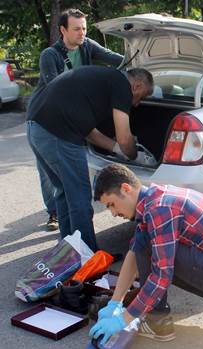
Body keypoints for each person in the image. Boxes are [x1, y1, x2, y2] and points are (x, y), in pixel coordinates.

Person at [89, 164, 203, 344]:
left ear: (126, 188)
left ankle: (157, 321)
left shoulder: (159, 210)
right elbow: (134, 250)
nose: (113, 213)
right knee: (145, 242)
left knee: (155, 252)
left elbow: (161, 276)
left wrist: (123, 320)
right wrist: (115, 302)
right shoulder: (154, 197)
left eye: (112, 205)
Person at [26, 66, 153, 251]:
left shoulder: (100, 79)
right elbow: (125, 138)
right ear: (137, 85)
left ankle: (69, 251)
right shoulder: (121, 85)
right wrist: (136, 156)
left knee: (63, 191)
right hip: (58, 134)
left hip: (35, 128)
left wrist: (116, 149)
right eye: (142, 96)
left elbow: (89, 133)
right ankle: (87, 257)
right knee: (80, 197)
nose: (137, 104)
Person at [31, 8, 124, 232]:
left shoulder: (87, 46)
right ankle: (54, 215)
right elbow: (56, 90)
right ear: (63, 30)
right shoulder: (50, 55)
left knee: (65, 185)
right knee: (56, 179)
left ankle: (69, 243)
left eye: (84, 28)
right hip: (47, 118)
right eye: (76, 29)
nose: (82, 33)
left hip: (66, 119)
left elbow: (116, 59)